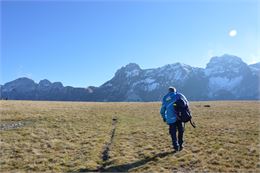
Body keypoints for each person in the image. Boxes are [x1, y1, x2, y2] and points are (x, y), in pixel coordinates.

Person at [160, 86, 188, 151]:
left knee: (173, 132)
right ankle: (181, 144)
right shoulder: (179, 95)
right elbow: (186, 103)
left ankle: (176, 146)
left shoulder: (165, 98)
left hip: (170, 118)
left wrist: (164, 117)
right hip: (179, 117)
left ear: (169, 91)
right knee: (180, 131)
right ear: (175, 91)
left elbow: (162, 110)